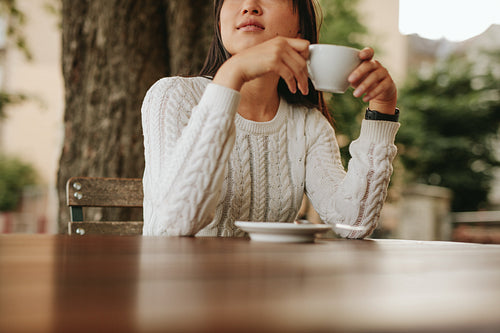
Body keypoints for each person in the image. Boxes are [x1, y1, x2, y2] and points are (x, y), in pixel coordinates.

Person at [141, 0, 399, 238]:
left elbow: (354, 224)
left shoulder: (308, 125)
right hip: (178, 284)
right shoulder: (173, 96)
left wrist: (382, 109)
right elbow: (174, 224)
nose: (250, 6)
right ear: (220, 24)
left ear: (301, 29)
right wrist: (233, 73)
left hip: (267, 284)